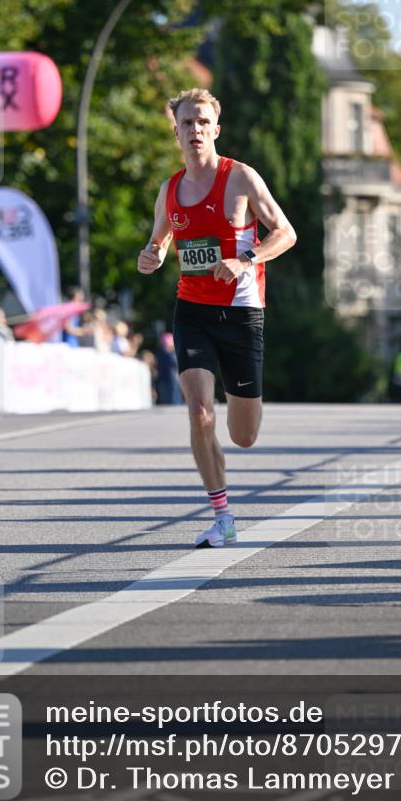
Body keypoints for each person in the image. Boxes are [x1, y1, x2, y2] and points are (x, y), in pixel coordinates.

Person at [137, 88, 296, 547]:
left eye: (203, 122)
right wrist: (152, 255)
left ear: (216, 130)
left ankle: (225, 450)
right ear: (177, 133)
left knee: (243, 435)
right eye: (187, 123)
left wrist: (246, 260)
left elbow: (285, 232)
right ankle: (222, 515)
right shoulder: (170, 190)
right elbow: (160, 241)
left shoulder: (241, 178)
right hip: (193, 311)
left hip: (243, 313)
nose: (196, 130)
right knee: (200, 412)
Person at [156, 332, 183, 405]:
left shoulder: (160, 354)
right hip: (172, 379)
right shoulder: (174, 354)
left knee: (166, 398)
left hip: (164, 379)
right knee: (173, 398)